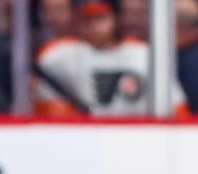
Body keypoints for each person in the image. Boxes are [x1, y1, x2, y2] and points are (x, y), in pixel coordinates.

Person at [35, 0, 187, 115]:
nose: (94, 27)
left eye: (100, 18)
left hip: (139, 137)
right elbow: (48, 111)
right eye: (87, 19)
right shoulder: (57, 56)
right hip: (81, 139)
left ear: (117, 18)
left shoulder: (144, 55)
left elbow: (176, 108)